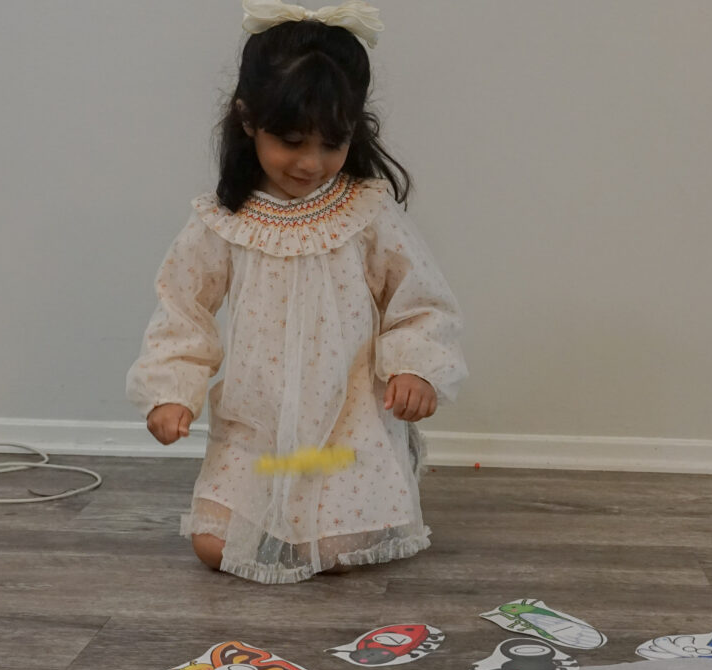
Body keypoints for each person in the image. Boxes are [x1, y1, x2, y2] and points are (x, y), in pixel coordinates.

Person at [126, 0, 466, 584]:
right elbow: (183, 310)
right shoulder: (220, 224)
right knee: (214, 547)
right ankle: (279, 509)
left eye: (331, 144)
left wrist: (417, 368)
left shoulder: (366, 211)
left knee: (332, 544)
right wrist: (171, 390)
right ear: (248, 119)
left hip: (347, 419)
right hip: (258, 425)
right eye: (291, 141)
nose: (311, 163)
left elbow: (420, 301)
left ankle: (353, 500)